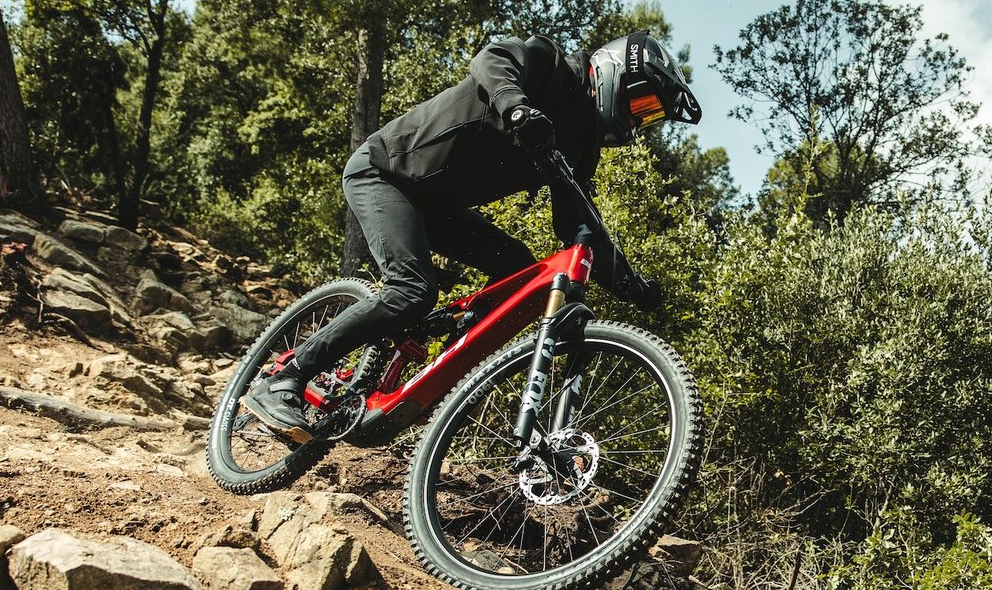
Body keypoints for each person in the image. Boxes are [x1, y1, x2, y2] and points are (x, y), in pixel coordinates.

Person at [240, 30, 702, 442]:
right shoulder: (550, 63)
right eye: (642, 103)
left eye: (649, 115)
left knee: (524, 273)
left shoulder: (581, 143)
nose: (637, 118)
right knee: (411, 291)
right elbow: (491, 60)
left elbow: (577, 222)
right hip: (385, 173)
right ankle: (285, 378)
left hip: (439, 206)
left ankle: (446, 351)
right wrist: (517, 107)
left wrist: (629, 283)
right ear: (616, 71)